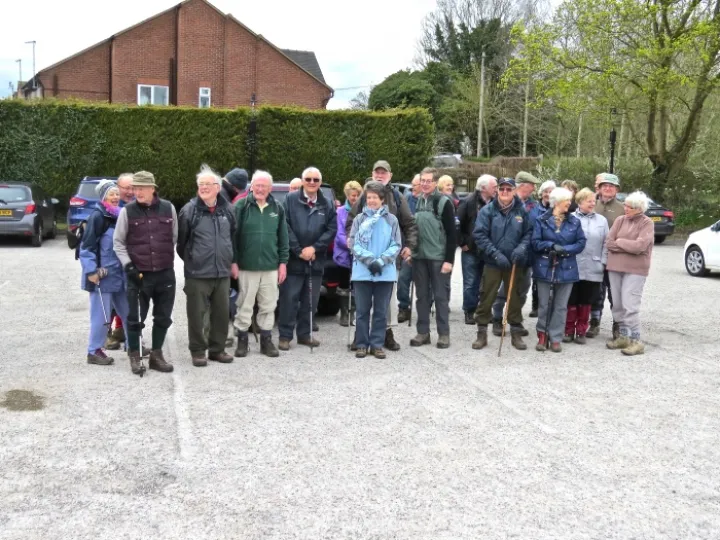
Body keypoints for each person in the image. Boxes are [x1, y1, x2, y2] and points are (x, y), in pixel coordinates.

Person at [346, 160, 418, 352]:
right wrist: (351, 241)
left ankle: (383, 337)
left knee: (385, 307)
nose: (380, 175)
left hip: (387, 264)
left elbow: (409, 224)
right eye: (377, 172)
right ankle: (361, 339)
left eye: (383, 172)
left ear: (389, 175)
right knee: (362, 308)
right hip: (363, 265)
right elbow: (351, 223)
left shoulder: (397, 198)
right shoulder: (363, 199)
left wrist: (409, 246)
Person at [113, 171, 177, 374]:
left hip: (165, 273)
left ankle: (156, 355)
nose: (137, 192)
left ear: (152, 189)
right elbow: (118, 242)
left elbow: (174, 236)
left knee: (163, 316)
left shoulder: (169, 208)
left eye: (141, 188)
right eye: (135, 188)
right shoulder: (127, 212)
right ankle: (135, 354)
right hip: (138, 275)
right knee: (135, 318)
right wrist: (128, 266)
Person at [177, 165, 236, 367]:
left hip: (222, 272)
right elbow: (181, 244)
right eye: (200, 184)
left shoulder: (228, 210)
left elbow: (233, 237)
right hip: (197, 274)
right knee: (196, 315)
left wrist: (230, 261)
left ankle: (217, 350)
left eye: (207, 184)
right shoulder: (189, 210)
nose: (203, 187)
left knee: (221, 314)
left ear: (217, 187)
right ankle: (198, 351)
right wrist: (194, 260)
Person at [231, 170, 289, 357]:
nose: (260, 189)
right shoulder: (241, 206)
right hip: (246, 267)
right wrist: (233, 262)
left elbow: (283, 238)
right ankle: (242, 341)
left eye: (264, 186)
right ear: (251, 187)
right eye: (257, 185)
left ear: (270, 188)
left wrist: (283, 263)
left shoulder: (277, 208)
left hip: (271, 267)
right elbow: (232, 238)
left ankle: (266, 341)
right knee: (244, 305)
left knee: (269, 305)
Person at [278, 167, 337, 350]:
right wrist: (298, 250)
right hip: (294, 259)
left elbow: (332, 229)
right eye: (308, 179)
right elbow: (284, 226)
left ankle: (305, 334)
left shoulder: (327, 203)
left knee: (310, 300)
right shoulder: (290, 199)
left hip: (315, 259)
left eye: (315, 180)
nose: (312, 182)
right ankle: (285, 336)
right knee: (289, 299)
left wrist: (314, 248)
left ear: (320, 182)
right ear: (303, 181)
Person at [472, 178, 532, 350]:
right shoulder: (487, 210)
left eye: (509, 189)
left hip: (515, 262)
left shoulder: (522, 210)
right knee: (486, 296)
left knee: (515, 297)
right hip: (493, 262)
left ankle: (515, 333)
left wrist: (521, 249)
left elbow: (528, 233)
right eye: (502, 188)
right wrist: (496, 254)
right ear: (497, 190)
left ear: (514, 191)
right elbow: (479, 235)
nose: (505, 192)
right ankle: (482, 333)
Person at [348, 181, 402, 358]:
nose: (371, 200)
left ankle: (377, 344)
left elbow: (396, 244)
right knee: (362, 311)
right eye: (369, 197)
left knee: (381, 312)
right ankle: (361, 344)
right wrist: (370, 261)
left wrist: (381, 261)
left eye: (374, 197)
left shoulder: (391, 220)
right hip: (362, 272)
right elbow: (353, 243)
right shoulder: (359, 219)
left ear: (382, 199)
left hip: (384, 273)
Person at [79, 180, 129, 365]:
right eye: (111, 194)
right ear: (103, 197)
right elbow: (87, 247)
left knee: (129, 312)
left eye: (117, 194)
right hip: (102, 277)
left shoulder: (120, 215)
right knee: (101, 316)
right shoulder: (97, 217)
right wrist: (91, 270)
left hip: (120, 275)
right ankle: (94, 351)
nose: (115, 197)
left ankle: (133, 345)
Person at [532, 187, 586, 352]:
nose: (569, 203)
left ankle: (556, 337)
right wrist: (550, 245)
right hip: (545, 267)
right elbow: (535, 242)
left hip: (567, 267)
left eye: (570, 200)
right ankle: (542, 335)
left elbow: (581, 242)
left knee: (561, 305)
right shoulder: (541, 220)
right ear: (556, 202)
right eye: (566, 200)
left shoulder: (575, 221)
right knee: (544, 304)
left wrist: (565, 249)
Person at [409, 167, 457, 349]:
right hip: (419, 257)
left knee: (440, 297)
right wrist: (411, 250)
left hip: (438, 258)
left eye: (428, 181)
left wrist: (449, 260)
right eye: (422, 180)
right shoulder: (418, 201)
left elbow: (452, 234)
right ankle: (423, 333)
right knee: (421, 296)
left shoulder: (443, 202)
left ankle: (443, 334)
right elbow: (414, 229)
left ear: (436, 183)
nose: (425, 184)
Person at [605, 191, 654, 356]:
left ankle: (636, 341)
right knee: (617, 304)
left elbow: (640, 246)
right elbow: (609, 242)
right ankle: (624, 337)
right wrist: (627, 246)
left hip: (635, 270)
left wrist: (619, 242)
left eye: (629, 207)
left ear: (639, 208)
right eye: (625, 205)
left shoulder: (647, 223)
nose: (625, 208)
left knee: (630, 304)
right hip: (615, 267)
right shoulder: (620, 220)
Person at [491, 171, 538, 335]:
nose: (534, 189)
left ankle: (514, 320)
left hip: (526, 255)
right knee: (503, 290)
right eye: (531, 185)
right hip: (506, 255)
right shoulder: (505, 202)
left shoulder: (534, 206)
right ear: (522, 186)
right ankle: (497, 318)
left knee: (522, 289)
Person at [565, 188, 609, 344]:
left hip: (593, 266)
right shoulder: (570, 218)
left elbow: (607, 243)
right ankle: (568, 330)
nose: (592, 203)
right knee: (571, 299)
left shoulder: (602, 220)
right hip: (572, 265)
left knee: (586, 300)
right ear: (580, 202)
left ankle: (581, 331)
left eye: (593, 201)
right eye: (589, 201)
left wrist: (603, 261)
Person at [104, 172, 138, 350]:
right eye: (126, 188)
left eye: (133, 188)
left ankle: (121, 330)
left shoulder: (137, 206)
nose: (130, 191)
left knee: (129, 298)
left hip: (130, 261)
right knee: (110, 300)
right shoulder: (109, 208)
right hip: (112, 261)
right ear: (117, 188)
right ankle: (106, 334)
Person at [458, 174, 497, 325]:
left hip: (488, 250)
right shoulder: (468, 202)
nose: (496, 189)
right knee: (470, 283)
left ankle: (485, 311)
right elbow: (457, 224)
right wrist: (462, 243)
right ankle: (469, 311)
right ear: (483, 188)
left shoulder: (496, 203)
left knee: (488, 283)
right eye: (494, 187)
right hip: (471, 250)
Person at [590, 172, 624, 338]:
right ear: (599, 188)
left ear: (617, 189)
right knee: (595, 292)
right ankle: (594, 322)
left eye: (611, 186)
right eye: (605, 185)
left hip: (615, 257)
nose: (608, 188)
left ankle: (617, 325)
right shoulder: (592, 204)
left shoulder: (622, 209)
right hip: (594, 257)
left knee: (615, 293)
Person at [334, 181, 363, 326]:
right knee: (344, 283)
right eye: (353, 195)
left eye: (358, 195)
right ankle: (344, 313)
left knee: (357, 284)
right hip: (344, 253)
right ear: (347, 195)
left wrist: (359, 247)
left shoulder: (363, 210)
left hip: (359, 254)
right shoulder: (340, 211)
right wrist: (349, 244)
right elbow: (339, 232)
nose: (355, 198)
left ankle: (353, 312)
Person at [527, 180, 556, 317]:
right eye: (546, 191)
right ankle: (536, 305)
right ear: (541, 193)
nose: (548, 194)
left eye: (551, 191)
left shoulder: (558, 208)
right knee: (537, 277)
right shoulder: (534, 208)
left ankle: (550, 305)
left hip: (553, 247)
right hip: (537, 247)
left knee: (553, 277)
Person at [397, 174, 421, 323]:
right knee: (403, 279)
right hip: (409, 247)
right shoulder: (406, 199)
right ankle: (403, 307)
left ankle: (425, 307)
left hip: (426, 248)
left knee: (426, 281)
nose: (412, 188)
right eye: (412, 185)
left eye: (415, 185)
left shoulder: (430, 201)